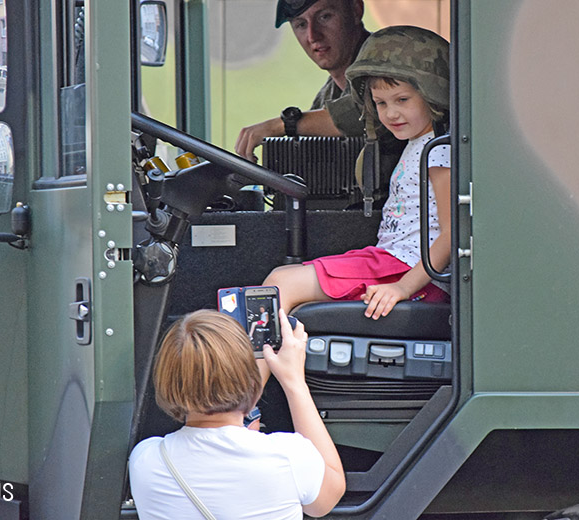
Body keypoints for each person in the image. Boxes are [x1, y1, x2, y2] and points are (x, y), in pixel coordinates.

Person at [262, 26, 451, 320]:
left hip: (408, 271)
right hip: (392, 261)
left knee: (279, 285)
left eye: (402, 100)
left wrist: (402, 288)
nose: (390, 114)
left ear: (433, 95)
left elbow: (451, 235)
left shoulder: (438, 151)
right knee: (289, 298)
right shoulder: (418, 144)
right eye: (381, 103)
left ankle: (243, 368)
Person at [129, 309, 346, 519]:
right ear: (252, 382)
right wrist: (294, 382)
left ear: (167, 383)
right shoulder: (289, 455)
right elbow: (328, 497)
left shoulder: (145, 460)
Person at [235, 0, 369, 162]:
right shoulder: (330, 93)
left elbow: (368, 113)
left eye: (324, 17)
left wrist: (280, 126)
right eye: (301, 24)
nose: (313, 36)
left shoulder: (384, 59)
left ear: (356, 10)